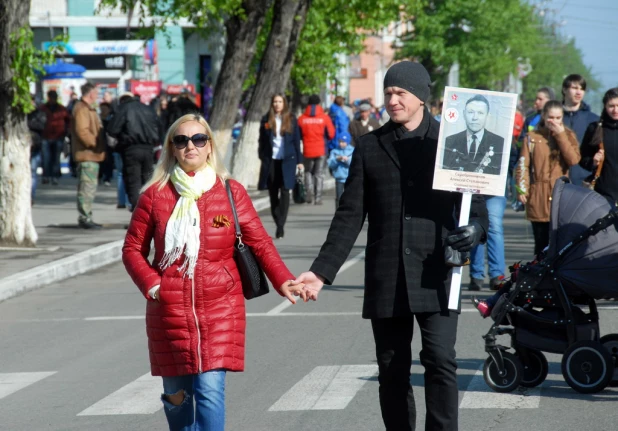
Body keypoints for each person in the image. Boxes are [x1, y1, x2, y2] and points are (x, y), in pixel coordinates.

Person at [293, 61, 488, 431]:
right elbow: (349, 215)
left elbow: (476, 209)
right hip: (388, 274)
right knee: (392, 370)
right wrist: (321, 272)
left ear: (421, 97)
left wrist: (476, 229)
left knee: (441, 362)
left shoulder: (451, 141)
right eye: (388, 93)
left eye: (400, 93)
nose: (392, 100)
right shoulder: (370, 146)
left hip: (438, 271)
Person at [122, 113, 305, 431]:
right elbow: (132, 250)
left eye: (198, 139)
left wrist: (283, 280)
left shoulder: (231, 192)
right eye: (181, 140)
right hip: (170, 311)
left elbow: (259, 242)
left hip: (221, 307)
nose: (190, 145)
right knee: (177, 398)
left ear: (209, 147)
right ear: (172, 149)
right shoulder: (155, 196)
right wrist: (154, 285)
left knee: (209, 391)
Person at [516, 100, 581, 254]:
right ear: (544, 116)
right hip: (538, 194)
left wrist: (560, 135)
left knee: (559, 244)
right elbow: (523, 165)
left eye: (558, 118)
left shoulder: (568, 135)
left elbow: (573, 160)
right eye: (551, 117)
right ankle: (539, 275)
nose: (554, 121)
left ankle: (556, 277)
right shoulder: (532, 137)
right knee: (541, 243)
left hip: (560, 194)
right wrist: (522, 189)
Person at [257, 93, 303, 239]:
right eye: (275, 101)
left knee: (285, 191)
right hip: (271, 161)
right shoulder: (266, 119)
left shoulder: (291, 119)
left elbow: (296, 141)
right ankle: (277, 219)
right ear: (272, 103)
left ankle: (281, 225)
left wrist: (300, 161)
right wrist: (262, 156)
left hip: (287, 160)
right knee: (272, 192)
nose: (277, 104)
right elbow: (262, 141)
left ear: (284, 104)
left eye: (280, 101)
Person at [107, 92, 160, 211]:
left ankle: (138, 214)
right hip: (148, 149)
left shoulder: (123, 109)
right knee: (147, 181)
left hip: (130, 150)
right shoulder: (148, 109)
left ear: (122, 100)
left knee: (133, 182)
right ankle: (149, 212)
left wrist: (116, 145)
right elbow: (159, 128)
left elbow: (112, 129)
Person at [442, 94, 505, 175]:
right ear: (464, 114)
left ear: (487, 116)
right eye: (471, 112)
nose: (475, 117)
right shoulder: (450, 141)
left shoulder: (499, 143)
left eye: (480, 113)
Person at [71, 82, 106, 229]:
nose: (97, 96)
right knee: (86, 188)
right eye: (96, 93)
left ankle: (86, 216)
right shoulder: (81, 109)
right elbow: (82, 132)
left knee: (89, 187)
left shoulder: (87, 108)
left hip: (91, 155)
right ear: (90, 94)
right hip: (87, 155)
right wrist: (95, 144)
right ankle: (85, 217)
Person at [580, 87, 618, 207]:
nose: (615, 110)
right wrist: (593, 161)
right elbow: (582, 158)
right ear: (605, 106)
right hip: (603, 193)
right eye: (611, 106)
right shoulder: (595, 129)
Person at [561, 74, 599, 186]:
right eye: (574, 88)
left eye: (582, 89)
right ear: (564, 90)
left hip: (583, 178)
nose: (579, 92)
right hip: (558, 177)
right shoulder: (554, 117)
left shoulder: (593, 119)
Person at [297, 94, 335, 205]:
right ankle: (318, 198)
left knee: (308, 172)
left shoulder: (301, 119)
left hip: (307, 150)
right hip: (321, 150)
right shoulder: (324, 118)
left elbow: (297, 135)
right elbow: (331, 134)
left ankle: (309, 196)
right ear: (319, 104)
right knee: (319, 174)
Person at [40, 90, 71, 185]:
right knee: (46, 158)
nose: (53, 99)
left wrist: (67, 132)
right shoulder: (43, 108)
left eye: (54, 97)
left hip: (58, 136)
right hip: (46, 136)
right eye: (51, 97)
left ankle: (55, 176)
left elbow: (68, 121)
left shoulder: (62, 109)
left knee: (56, 158)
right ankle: (46, 176)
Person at [327, 132, 354, 208]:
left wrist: (347, 160)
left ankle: (349, 212)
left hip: (349, 178)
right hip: (339, 177)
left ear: (347, 142)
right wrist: (337, 159)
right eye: (340, 142)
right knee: (339, 197)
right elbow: (330, 164)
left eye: (343, 142)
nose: (341, 144)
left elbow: (354, 164)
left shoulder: (352, 151)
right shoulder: (335, 151)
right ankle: (338, 212)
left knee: (349, 197)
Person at [27, 99, 46, 203]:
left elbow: (41, 126)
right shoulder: (21, 114)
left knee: (33, 172)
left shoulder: (40, 113)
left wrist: (29, 124)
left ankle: (31, 196)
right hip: (23, 147)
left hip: (35, 146)